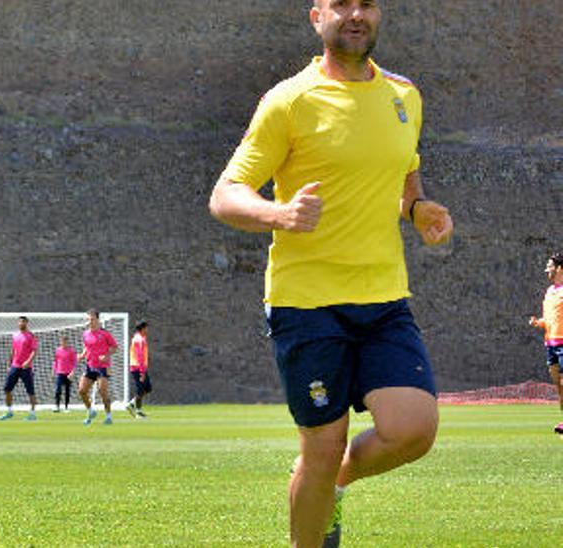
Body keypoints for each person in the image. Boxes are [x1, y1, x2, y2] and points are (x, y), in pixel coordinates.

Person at [208, 1, 454, 545]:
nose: (355, 14)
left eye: (365, 3)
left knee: (413, 430)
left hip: (384, 298)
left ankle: (331, 483)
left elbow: (404, 173)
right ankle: (317, 500)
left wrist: (417, 209)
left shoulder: (404, 96)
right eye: (341, 4)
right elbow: (224, 195)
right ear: (317, 16)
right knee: (321, 447)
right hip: (307, 302)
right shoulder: (288, 101)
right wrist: (279, 213)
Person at [528, 253, 563, 429]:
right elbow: (550, 319)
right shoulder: (550, 291)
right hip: (551, 343)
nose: (546, 270)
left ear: (559, 268)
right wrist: (538, 323)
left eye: (549, 266)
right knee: (559, 386)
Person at [77, 309, 117, 425]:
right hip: (90, 366)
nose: (90, 321)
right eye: (88, 319)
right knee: (82, 390)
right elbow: (87, 347)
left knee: (102, 391)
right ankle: (91, 411)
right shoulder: (85, 334)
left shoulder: (105, 334)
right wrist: (82, 355)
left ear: (97, 320)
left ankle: (108, 416)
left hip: (102, 367)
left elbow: (114, 347)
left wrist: (106, 355)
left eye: (92, 319)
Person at [0, 316, 38, 421]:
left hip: (26, 368)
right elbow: (13, 350)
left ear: (27, 323)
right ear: (18, 323)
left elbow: (34, 351)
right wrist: (9, 364)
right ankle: (9, 411)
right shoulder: (15, 335)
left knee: (30, 392)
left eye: (23, 322)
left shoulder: (31, 336)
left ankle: (32, 414)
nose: (21, 323)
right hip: (15, 366)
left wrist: (28, 362)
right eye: (20, 322)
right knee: (7, 389)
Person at [125, 321, 152, 418]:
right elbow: (139, 355)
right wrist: (142, 371)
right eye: (146, 328)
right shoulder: (139, 339)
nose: (147, 330)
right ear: (143, 328)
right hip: (137, 367)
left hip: (139, 367)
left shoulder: (139, 338)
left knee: (147, 388)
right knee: (141, 389)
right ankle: (137, 411)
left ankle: (132, 404)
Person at [52, 334, 77, 413]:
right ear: (61, 342)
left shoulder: (71, 351)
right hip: (59, 373)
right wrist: (53, 371)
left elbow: (74, 363)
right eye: (62, 341)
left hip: (68, 373)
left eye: (65, 341)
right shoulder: (57, 350)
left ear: (67, 342)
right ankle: (57, 406)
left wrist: (72, 372)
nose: (64, 343)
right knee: (58, 390)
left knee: (67, 390)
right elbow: (55, 361)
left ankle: (66, 407)